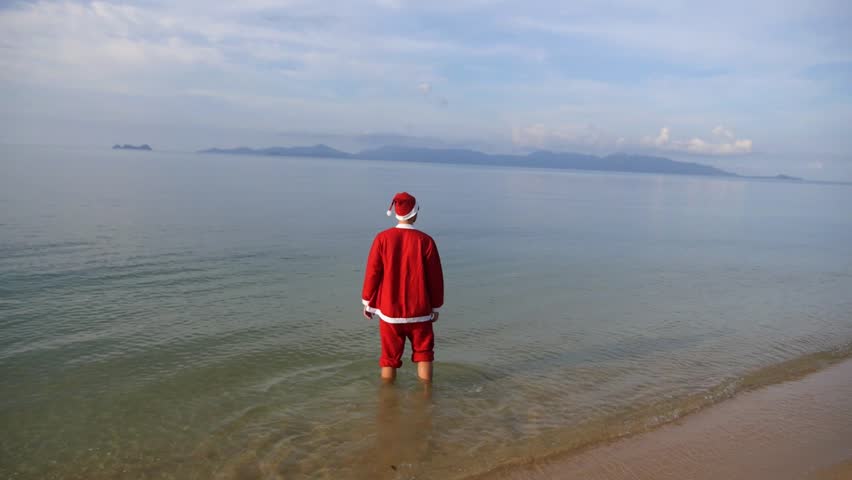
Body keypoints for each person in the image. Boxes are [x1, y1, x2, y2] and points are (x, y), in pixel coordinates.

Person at [361, 192, 444, 383]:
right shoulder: (426, 241)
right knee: (424, 353)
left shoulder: (382, 238)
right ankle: (426, 398)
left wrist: (367, 301)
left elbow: (373, 272)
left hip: (390, 312)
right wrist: (436, 306)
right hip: (420, 311)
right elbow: (435, 278)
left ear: (397, 213)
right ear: (414, 214)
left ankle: (387, 402)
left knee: (389, 358)